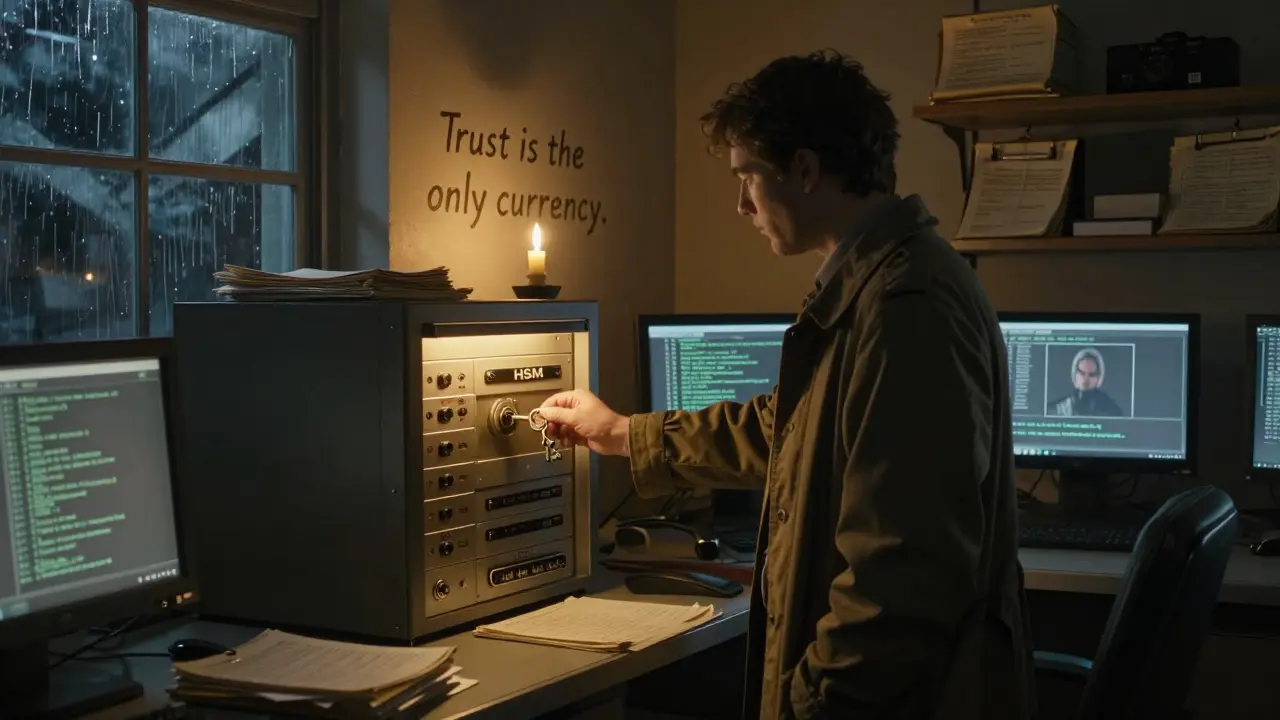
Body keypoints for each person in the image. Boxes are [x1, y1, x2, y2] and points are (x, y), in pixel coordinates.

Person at [538, 50, 1033, 720]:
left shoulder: (905, 307)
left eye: (748, 177)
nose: (741, 205)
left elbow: (901, 583)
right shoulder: (877, 284)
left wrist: (804, 704)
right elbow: (790, 428)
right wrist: (625, 433)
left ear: (804, 169)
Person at [1048, 348, 1124, 417]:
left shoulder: (1112, 412)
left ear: (1099, 377)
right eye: (1082, 373)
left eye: (1092, 375)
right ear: (1074, 374)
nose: (1086, 379)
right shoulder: (1056, 409)